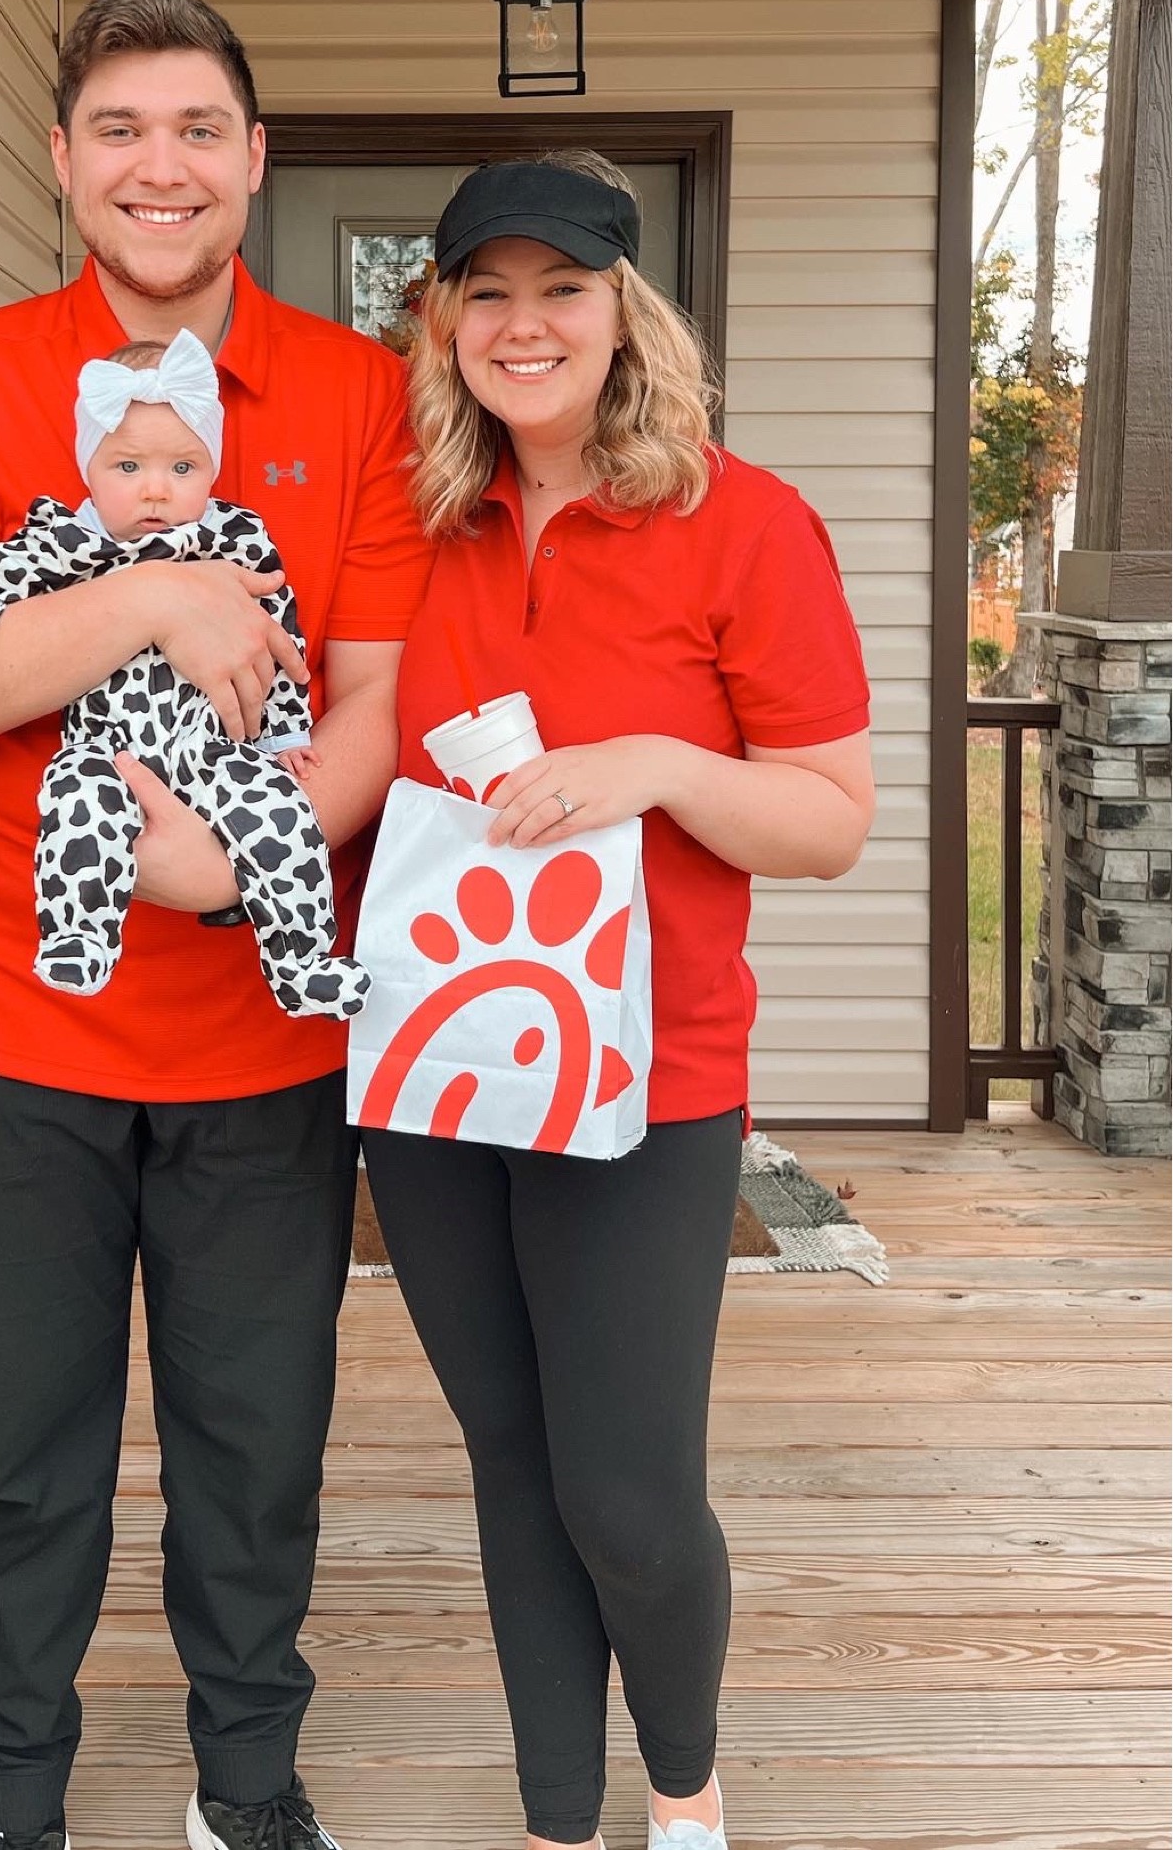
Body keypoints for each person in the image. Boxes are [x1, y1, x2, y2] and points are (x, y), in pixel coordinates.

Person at [0, 0, 432, 1850]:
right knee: (22, 1456)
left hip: (266, 1031)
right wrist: (152, 597)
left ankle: (244, 1786)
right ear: (63, 164)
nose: (156, 165)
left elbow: (381, 702)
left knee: (255, 1452)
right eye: (118, 130)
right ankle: (12, 1804)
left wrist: (241, 859)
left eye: (194, 129)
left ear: (252, 162)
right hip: (2, 1022)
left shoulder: (355, 398)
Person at [360, 152, 875, 1850]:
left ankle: (682, 1783)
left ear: (621, 312)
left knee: (625, 1490)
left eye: (558, 288)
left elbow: (825, 817)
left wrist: (653, 764)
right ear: (438, 320)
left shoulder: (740, 519)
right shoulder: (402, 525)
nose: (522, 324)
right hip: (435, 1074)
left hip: (645, 1077)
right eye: (484, 291)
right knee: (512, 1459)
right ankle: (555, 1814)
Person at [0, 330, 367, 1019]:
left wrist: (280, 731)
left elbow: (276, 638)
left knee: (283, 819)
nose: (157, 491)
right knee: (78, 811)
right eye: (128, 467)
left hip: (214, 749)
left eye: (183, 468)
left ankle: (302, 961)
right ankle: (78, 937)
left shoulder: (236, 538)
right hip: (106, 749)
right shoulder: (68, 540)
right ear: (89, 467)